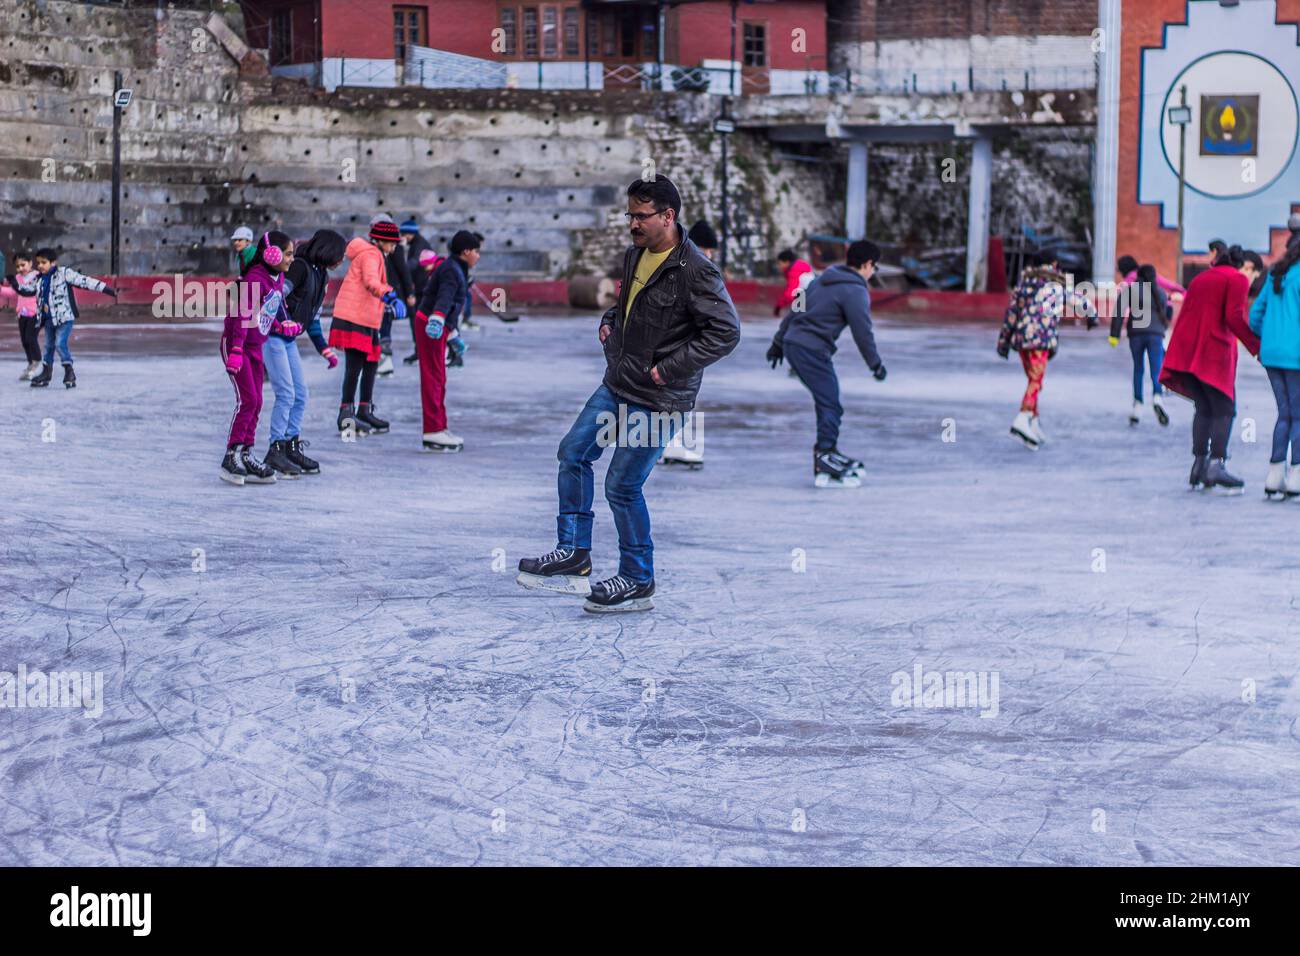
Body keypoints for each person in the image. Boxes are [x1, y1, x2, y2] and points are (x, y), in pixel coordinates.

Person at [516, 174, 740, 613]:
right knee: (574, 452)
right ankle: (575, 553)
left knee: (622, 485)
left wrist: (666, 371)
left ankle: (638, 578)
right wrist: (610, 317)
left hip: (659, 398)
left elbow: (726, 333)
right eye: (630, 215)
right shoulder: (635, 254)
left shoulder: (695, 270)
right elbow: (631, 303)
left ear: (668, 216)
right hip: (618, 382)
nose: (633, 224)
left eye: (642, 216)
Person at [766, 239, 887, 488]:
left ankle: (828, 452)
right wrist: (875, 364)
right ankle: (825, 456)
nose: (873, 273)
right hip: (810, 349)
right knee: (830, 402)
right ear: (866, 264)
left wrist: (779, 343)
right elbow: (863, 332)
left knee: (829, 400)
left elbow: (796, 309)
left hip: (795, 344)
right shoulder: (855, 291)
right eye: (874, 267)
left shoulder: (821, 280)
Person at [1158, 244, 1261, 493]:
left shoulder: (1202, 277)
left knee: (1204, 408)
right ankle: (1216, 464)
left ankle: (1198, 464)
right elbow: (1234, 316)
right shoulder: (1235, 279)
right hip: (1212, 353)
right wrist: (1257, 348)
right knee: (1225, 408)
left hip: (1188, 352)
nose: (1251, 279)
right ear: (1243, 267)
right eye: (1253, 273)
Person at [262, 228, 345, 478]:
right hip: (273, 338)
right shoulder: (299, 267)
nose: (341, 260)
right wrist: (282, 322)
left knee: (301, 394)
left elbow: (313, 319)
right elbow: (273, 298)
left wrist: (324, 349)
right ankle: (275, 449)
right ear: (327, 250)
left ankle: (290, 444)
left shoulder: (322, 277)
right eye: (339, 254)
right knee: (286, 394)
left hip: (288, 341)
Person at [220, 231, 300, 485]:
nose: (291, 259)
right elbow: (244, 316)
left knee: (257, 402)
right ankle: (231, 455)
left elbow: (267, 310)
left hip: (256, 346)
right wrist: (235, 351)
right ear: (272, 253)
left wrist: (280, 325)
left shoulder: (277, 277)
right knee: (248, 400)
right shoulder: (256, 279)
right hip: (237, 344)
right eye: (287, 254)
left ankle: (246, 453)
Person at [996, 253, 1097, 449]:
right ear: (1054, 264)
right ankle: (1023, 417)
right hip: (1040, 342)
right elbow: (1078, 300)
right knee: (1036, 381)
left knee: (1034, 381)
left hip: (1022, 341)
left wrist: (1003, 342)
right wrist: (1091, 316)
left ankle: (1033, 423)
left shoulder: (1023, 285)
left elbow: (1011, 315)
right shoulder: (1055, 286)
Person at [329, 220, 405, 436]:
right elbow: (371, 282)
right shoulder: (371, 255)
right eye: (392, 243)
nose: (394, 247)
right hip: (354, 318)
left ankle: (364, 409)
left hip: (367, 319)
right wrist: (389, 295)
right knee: (354, 367)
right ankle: (346, 414)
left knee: (371, 364)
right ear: (380, 241)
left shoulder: (376, 254)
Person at [660, 219, 722, 471]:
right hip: (678, 341)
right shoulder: (692, 265)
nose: (710, 255)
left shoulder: (681, 261)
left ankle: (668, 444)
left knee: (677, 396)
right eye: (708, 249)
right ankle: (666, 444)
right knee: (674, 395)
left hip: (681, 340)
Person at [413, 230, 478, 452]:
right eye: (476, 251)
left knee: (439, 376)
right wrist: (438, 319)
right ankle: (433, 430)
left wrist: (452, 334)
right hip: (431, 326)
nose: (478, 256)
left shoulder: (456, 267)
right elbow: (445, 298)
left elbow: (452, 304)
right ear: (466, 251)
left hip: (438, 327)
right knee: (433, 376)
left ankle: (439, 427)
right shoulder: (452, 270)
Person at [1248, 240, 1300, 497]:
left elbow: (1255, 316)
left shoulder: (1275, 273)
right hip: (1296, 355)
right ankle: (1296, 475)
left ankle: (1275, 473)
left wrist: (1269, 337)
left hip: (1272, 354)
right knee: (1298, 415)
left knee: (1284, 413)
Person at [29, 248, 117, 389]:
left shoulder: (63, 273)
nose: (40, 265)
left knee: (59, 344)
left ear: (53, 263)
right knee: (48, 347)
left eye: (43, 262)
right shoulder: (39, 279)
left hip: (64, 318)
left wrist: (107, 289)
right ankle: (46, 373)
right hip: (48, 319)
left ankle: (69, 371)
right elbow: (29, 293)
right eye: (38, 263)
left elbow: (84, 281)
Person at [1109, 263, 1172, 426]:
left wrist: (1114, 336)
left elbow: (1118, 312)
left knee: (1138, 368)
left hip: (1136, 334)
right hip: (1155, 335)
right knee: (1156, 368)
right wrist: (1162, 326)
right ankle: (1158, 398)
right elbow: (1168, 311)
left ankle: (1137, 405)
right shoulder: (1160, 292)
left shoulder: (1130, 290)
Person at [371, 214, 413, 377]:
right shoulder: (374, 249)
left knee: (384, 327)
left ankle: (385, 361)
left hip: (388, 293)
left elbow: (403, 271)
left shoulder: (393, 247)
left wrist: (408, 293)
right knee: (379, 327)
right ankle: (380, 360)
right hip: (379, 292)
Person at [401, 219, 433, 364]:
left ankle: (423, 351)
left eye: (404, 234)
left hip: (423, 289)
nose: (402, 237)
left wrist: (400, 269)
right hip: (420, 287)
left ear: (410, 233)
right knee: (416, 321)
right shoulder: (416, 243)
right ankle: (419, 351)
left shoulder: (419, 245)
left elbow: (413, 264)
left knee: (418, 320)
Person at [5, 251, 42, 380]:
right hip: (22, 314)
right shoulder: (18, 278)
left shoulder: (37, 276)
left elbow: (28, 292)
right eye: (17, 266)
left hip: (35, 313)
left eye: (23, 265)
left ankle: (37, 362)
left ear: (30, 263)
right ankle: (30, 363)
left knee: (31, 338)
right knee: (24, 341)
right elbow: (13, 292)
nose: (20, 268)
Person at [774, 248, 813, 316]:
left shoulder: (794, 271)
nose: (779, 266)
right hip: (811, 298)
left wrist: (779, 306)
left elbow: (791, 293)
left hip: (807, 300)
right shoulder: (800, 267)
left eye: (780, 263)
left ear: (787, 262)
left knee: (792, 320)